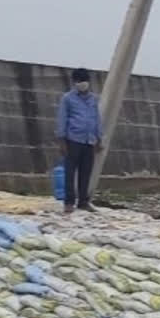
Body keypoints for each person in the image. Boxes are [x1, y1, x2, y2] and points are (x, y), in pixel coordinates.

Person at [56, 68, 103, 214]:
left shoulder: (93, 99)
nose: (82, 84)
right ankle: (69, 202)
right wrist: (62, 140)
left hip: (89, 141)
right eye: (79, 81)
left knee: (86, 172)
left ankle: (83, 201)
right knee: (70, 172)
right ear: (74, 82)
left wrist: (99, 138)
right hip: (73, 139)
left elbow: (96, 119)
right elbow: (62, 119)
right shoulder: (68, 99)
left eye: (84, 81)